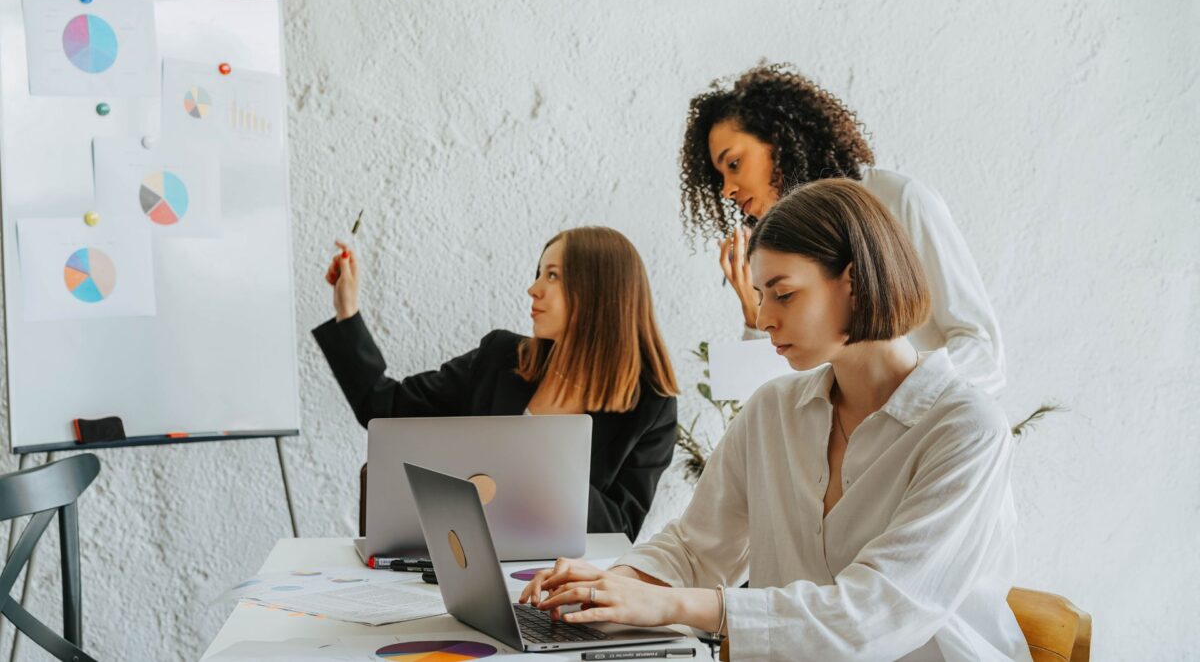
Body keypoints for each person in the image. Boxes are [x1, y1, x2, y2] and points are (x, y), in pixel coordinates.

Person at [521, 180, 1029, 661]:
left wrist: (673, 606)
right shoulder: (773, 410)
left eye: (782, 294)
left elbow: (874, 616)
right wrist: (606, 586)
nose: (763, 319)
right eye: (760, 295)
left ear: (853, 282)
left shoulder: (966, 429)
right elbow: (696, 548)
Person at [313, 226, 679, 541]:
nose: (533, 289)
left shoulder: (651, 406)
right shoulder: (501, 358)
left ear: (600, 292)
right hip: (464, 560)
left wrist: (540, 459)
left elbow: (620, 531)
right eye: (539, 272)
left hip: (557, 583)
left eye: (552, 275)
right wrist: (347, 310)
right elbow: (382, 407)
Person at [681, 63, 1006, 394]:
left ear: (780, 141)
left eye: (734, 164)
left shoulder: (898, 201)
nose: (726, 190)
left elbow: (982, 352)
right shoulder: (779, 251)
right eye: (720, 177)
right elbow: (771, 399)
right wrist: (755, 312)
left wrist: (898, 403)